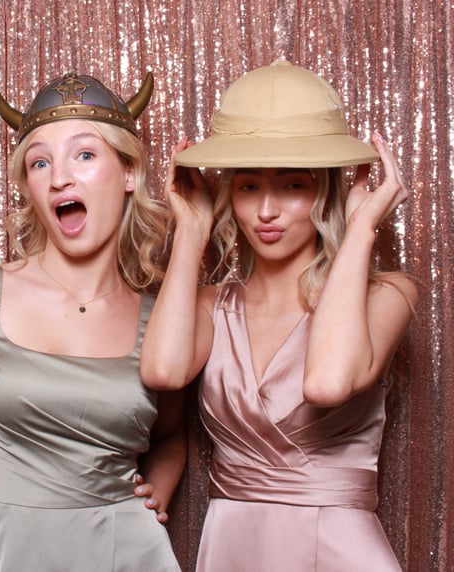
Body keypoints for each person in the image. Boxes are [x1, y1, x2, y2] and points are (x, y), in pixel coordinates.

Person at [140, 59, 418, 571]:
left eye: (293, 186)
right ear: (229, 194)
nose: (266, 210)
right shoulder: (209, 306)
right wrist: (192, 230)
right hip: (233, 545)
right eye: (248, 186)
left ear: (326, 192)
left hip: (339, 551)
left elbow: (327, 383)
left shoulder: (388, 294)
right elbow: (162, 371)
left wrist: (361, 229)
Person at [0, 72, 184, 571]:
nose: (60, 177)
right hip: (7, 548)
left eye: (84, 155)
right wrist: (4, 495)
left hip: (127, 551)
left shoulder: (161, 317)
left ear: (129, 173)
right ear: (30, 188)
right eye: (40, 162)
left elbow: (171, 435)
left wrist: (158, 491)